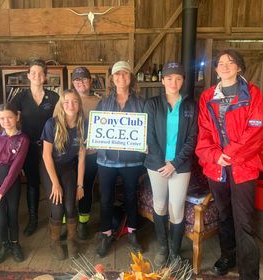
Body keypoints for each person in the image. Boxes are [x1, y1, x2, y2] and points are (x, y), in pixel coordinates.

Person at [196, 49, 263, 279]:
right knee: (224, 214)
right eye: (220, 63)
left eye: (231, 62)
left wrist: (228, 153)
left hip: (244, 165)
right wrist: (214, 155)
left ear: (239, 67)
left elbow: (256, 129)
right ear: (216, 69)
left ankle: (248, 272)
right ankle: (228, 255)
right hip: (216, 166)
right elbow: (204, 132)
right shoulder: (207, 97)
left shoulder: (253, 94)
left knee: (244, 220)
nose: (225, 65)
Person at [144, 62, 198, 266]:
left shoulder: (191, 105)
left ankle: (175, 251)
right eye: (169, 78)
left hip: (180, 166)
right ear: (162, 80)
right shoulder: (152, 104)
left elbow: (193, 138)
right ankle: (163, 248)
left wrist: (174, 163)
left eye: (178, 78)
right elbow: (148, 136)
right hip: (156, 164)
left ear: (183, 80)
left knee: (177, 208)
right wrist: (162, 162)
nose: (173, 82)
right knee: (159, 204)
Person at [95, 61, 145, 258]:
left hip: (132, 160)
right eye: (117, 74)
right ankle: (106, 234)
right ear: (112, 78)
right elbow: (97, 127)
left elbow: (146, 130)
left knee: (131, 197)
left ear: (130, 78)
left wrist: (146, 143)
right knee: (106, 198)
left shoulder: (141, 103)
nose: (121, 77)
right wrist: (94, 139)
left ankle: (132, 233)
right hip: (106, 160)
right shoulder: (104, 102)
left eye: (125, 74)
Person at [10, 59, 59, 236]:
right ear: (29, 75)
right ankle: (33, 220)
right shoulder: (20, 97)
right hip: (28, 147)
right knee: (32, 183)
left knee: (52, 181)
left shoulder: (54, 97)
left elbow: (58, 123)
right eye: (34, 73)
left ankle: (56, 218)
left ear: (45, 77)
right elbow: (10, 120)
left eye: (41, 73)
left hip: (50, 148)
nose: (37, 76)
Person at [42, 89, 86, 260]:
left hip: (68, 167)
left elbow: (82, 158)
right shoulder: (51, 124)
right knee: (58, 206)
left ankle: (71, 239)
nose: (71, 105)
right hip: (50, 167)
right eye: (66, 101)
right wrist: (55, 184)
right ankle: (54, 241)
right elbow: (46, 155)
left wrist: (80, 185)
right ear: (61, 104)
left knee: (70, 205)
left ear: (79, 105)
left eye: (75, 101)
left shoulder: (84, 124)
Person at [0, 103, 29, 264]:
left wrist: (2, 190)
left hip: (11, 184)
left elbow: (16, 168)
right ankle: (4, 245)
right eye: (2, 118)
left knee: (12, 215)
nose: (6, 121)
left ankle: (15, 244)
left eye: (9, 117)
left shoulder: (23, 139)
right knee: (0, 218)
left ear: (17, 117)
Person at [71, 67, 100, 240]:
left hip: (91, 153)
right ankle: (70, 221)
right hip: (69, 155)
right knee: (68, 188)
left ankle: (83, 223)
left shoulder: (99, 101)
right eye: (76, 80)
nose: (80, 82)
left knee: (86, 187)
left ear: (90, 81)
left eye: (84, 79)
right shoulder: (65, 100)